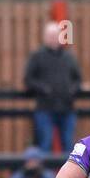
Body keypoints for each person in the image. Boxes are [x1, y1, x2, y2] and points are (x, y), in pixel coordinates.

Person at [23, 22, 83, 152]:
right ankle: (45, 173)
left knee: (68, 145)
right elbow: (28, 80)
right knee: (45, 143)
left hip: (67, 108)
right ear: (44, 37)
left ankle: (69, 173)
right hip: (45, 108)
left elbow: (78, 79)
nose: (53, 38)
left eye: (55, 35)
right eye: (50, 36)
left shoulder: (68, 57)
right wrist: (43, 89)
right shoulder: (37, 56)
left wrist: (72, 90)